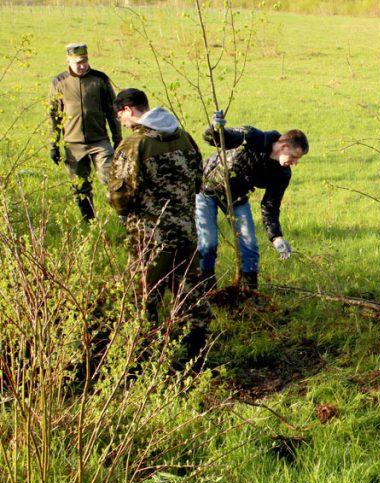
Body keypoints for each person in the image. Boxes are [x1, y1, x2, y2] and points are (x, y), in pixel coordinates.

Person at [107, 88, 210, 364]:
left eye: (121, 117)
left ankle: (142, 361)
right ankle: (196, 354)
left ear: (128, 110)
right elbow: (199, 182)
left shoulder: (134, 145)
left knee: (142, 298)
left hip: (150, 238)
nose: (123, 123)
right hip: (186, 233)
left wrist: (125, 211)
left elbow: (120, 195)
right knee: (191, 293)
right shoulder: (186, 139)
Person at [196, 111, 308, 290]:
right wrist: (215, 127)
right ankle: (207, 291)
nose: (295, 163)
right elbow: (218, 139)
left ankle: (250, 294)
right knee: (208, 244)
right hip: (208, 189)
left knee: (249, 245)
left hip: (237, 197)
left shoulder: (282, 174)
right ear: (283, 144)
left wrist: (276, 237)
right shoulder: (253, 137)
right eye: (294, 157)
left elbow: (270, 205)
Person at [48, 43, 122, 221]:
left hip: (100, 142)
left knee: (113, 180)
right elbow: (54, 116)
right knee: (81, 187)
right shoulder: (59, 82)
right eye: (78, 62)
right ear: (68, 61)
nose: (82, 66)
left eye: (85, 61)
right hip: (73, 145)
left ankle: (123, 218)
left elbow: (112, 112)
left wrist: (117, 138)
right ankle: (88, 221)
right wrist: (53, 144)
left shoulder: (100, 79)